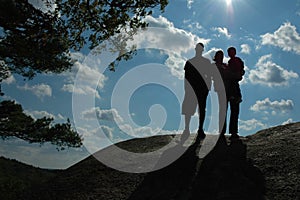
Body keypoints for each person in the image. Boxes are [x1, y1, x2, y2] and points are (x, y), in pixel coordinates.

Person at [181, 42, 212, 141]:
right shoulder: (190, 62)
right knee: (188, 109)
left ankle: (200, 129)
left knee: (202, 109)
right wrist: (186, 88)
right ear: (195, 49)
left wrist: (208, 88)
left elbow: (209, 76)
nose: (199, 50)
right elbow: (186, 77)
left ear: (202, 50)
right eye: (197, 48)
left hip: (202, 88)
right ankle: (186, 128)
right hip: (191, 88)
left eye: (200, 48)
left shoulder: (206, 62)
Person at [226, 46, 245, 139]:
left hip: (234, 87)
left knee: (235, 110)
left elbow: (241, 72)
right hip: (232, 87)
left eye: (232, 52)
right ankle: (233, 131)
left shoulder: (237, 61)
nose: (231, 54)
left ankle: (234, 131)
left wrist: (239, 74)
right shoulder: (230, 63)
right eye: (230, 52)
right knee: (234, 110)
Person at [212, 50, 228, 135]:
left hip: (227, 88)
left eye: (221, 56)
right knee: (222, 108)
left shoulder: (225, 65)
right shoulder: (214, 66)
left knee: (223, 108)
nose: (220, 58)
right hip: (220, 88)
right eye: (219, 56)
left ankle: (222, 130)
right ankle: (222, 130)